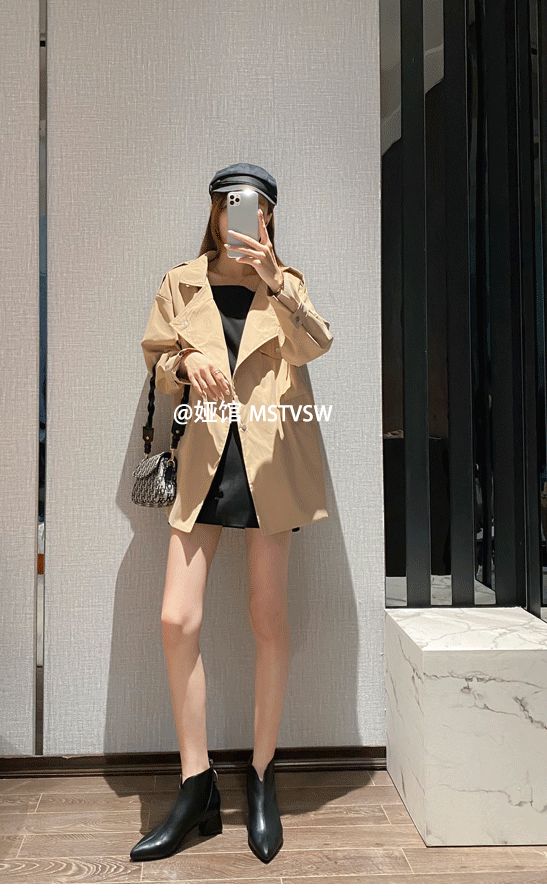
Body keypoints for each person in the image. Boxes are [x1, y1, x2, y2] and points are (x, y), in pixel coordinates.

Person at [133, 163, 333, 864]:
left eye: (254, 208)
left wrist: (274, 278)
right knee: (175, 619)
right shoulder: (181, 282)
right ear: (215, 212)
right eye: (230, 206)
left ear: (268, 218)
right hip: (204, 460)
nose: (241, 218)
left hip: (270, 463)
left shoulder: (287, 284)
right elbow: (156, 360)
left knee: (267, 617)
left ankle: (262, 774)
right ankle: (196, 784)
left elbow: (317, 343)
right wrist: (185, 364)